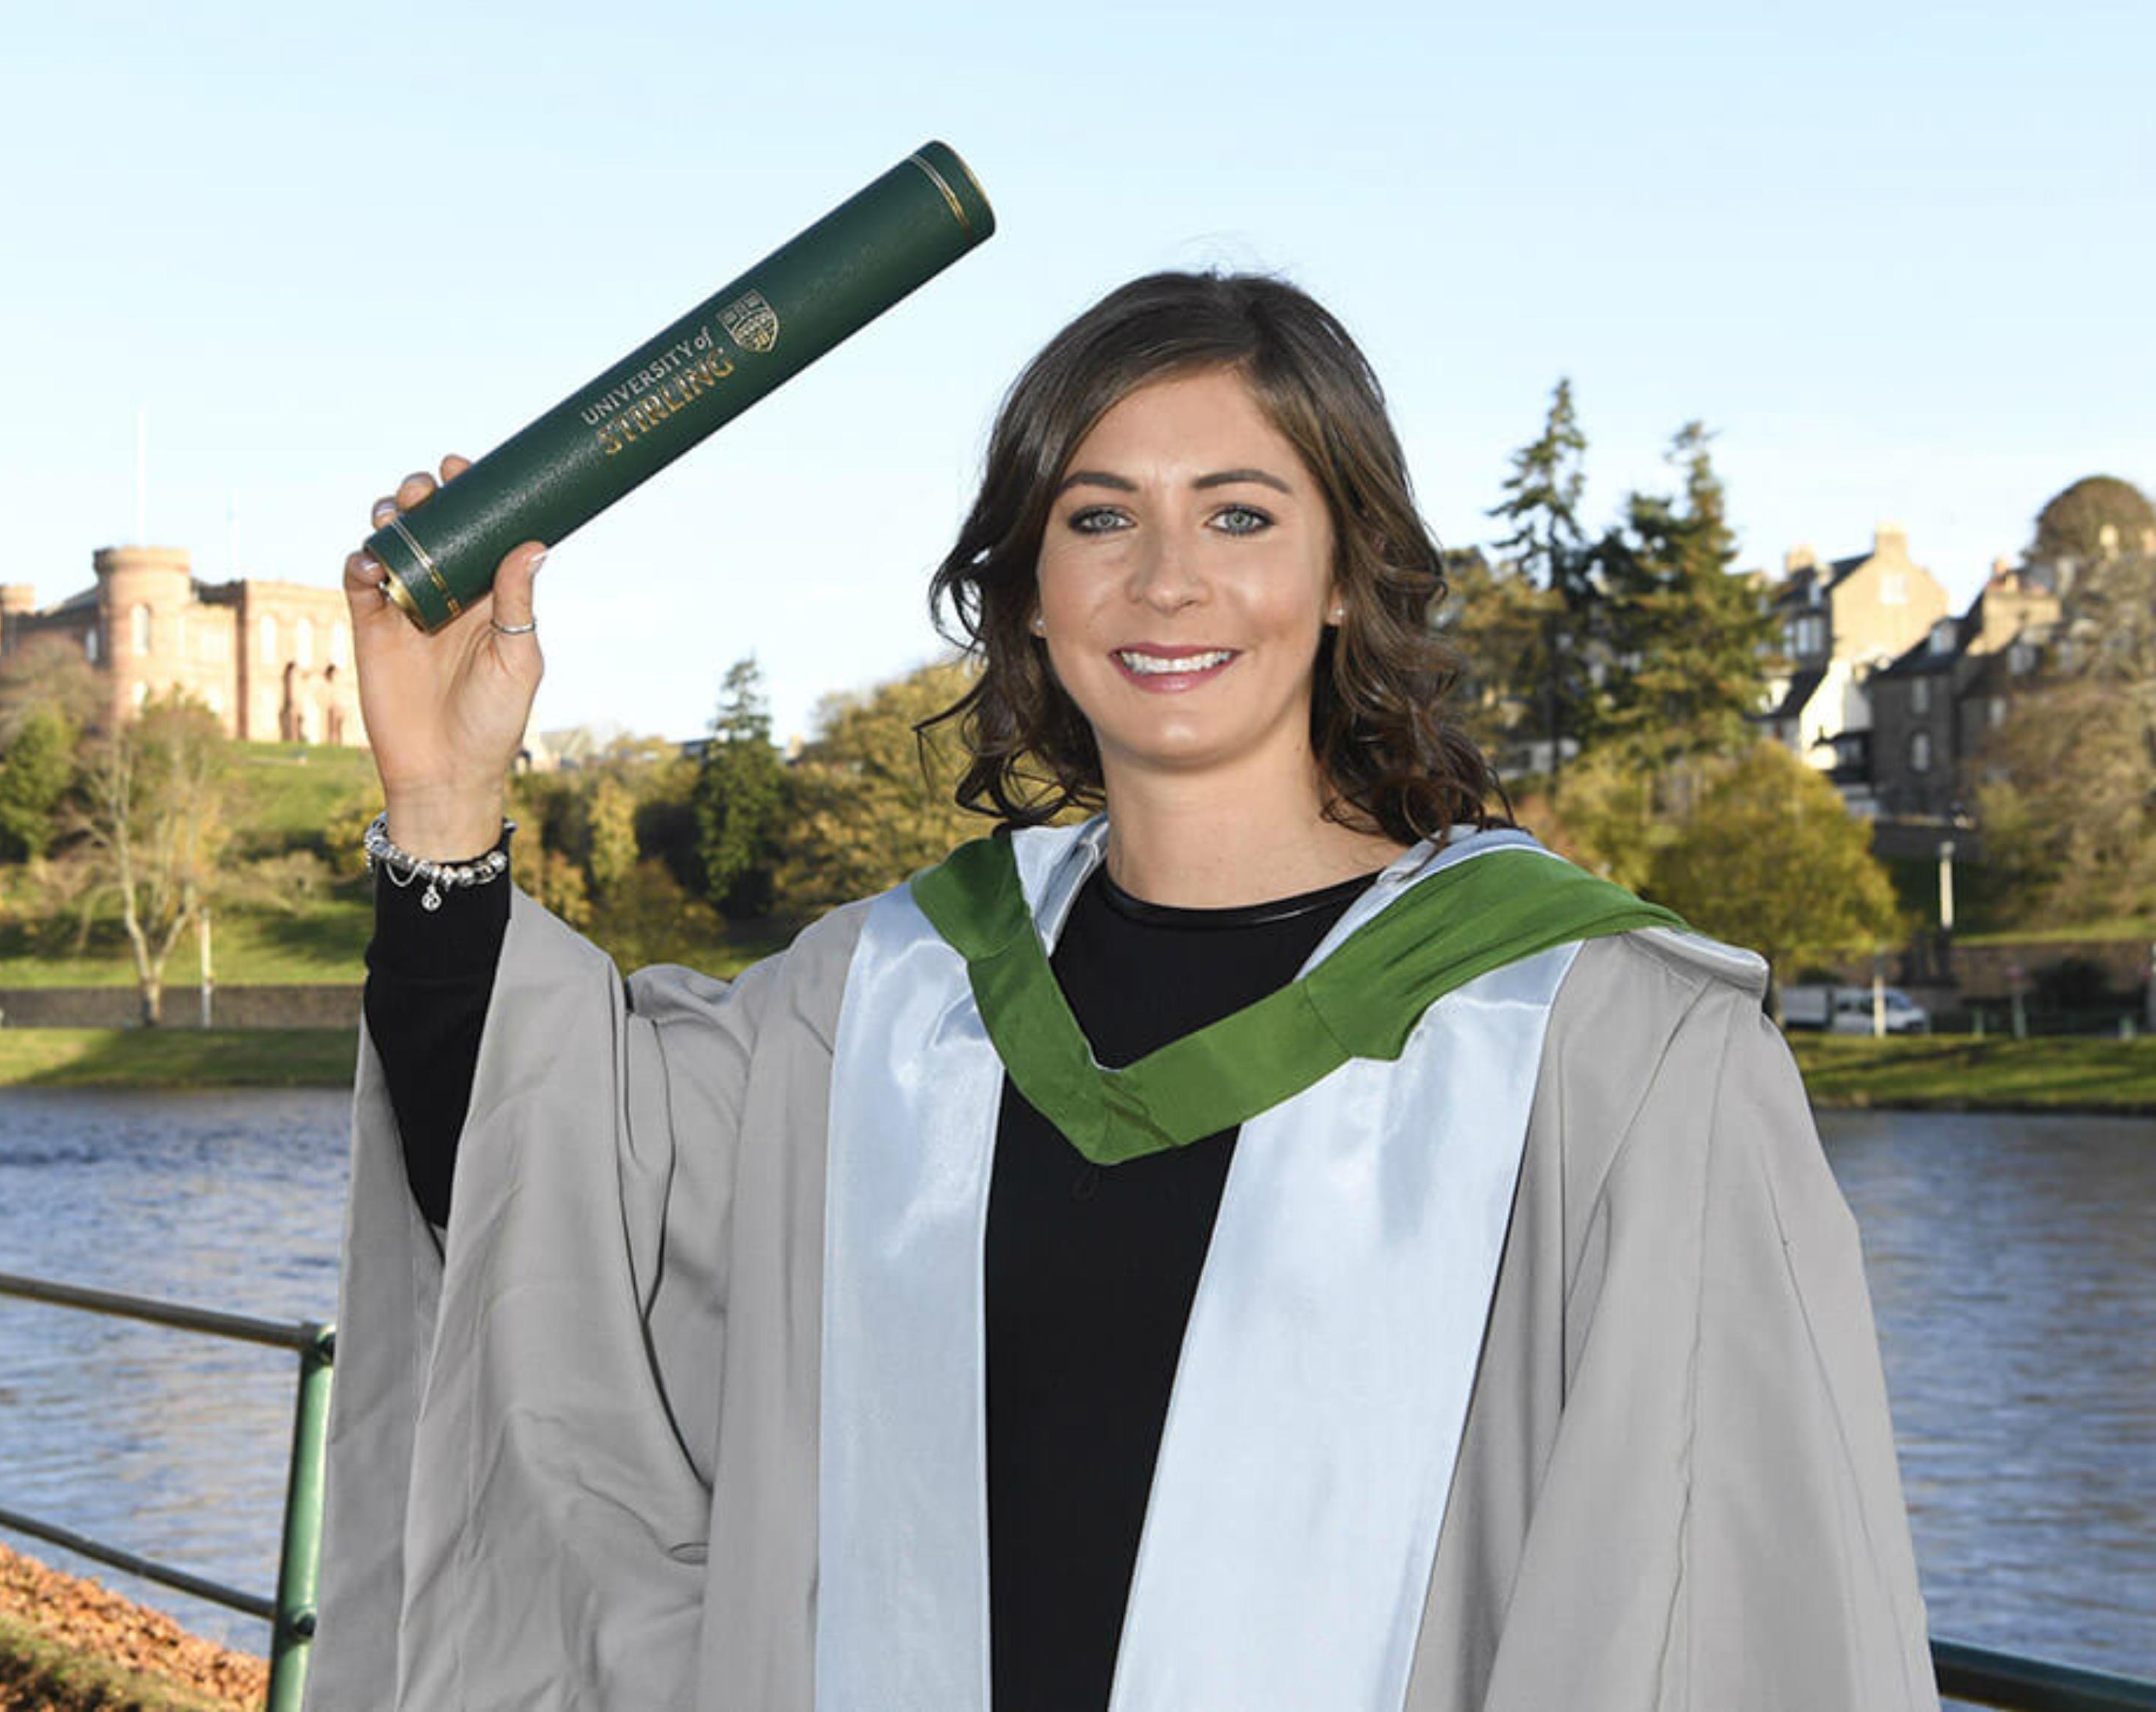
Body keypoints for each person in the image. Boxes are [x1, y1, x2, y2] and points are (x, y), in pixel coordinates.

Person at [312, 272, 1936, 1712]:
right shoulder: (887, 1005)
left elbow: (1726, 1610)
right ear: (1027, 585)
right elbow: (541, 1192)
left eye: (1239, 517)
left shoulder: (1606, 1051)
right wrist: (444, 804)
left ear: (1345, 572)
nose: (1165, 582)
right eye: (1098, 518)